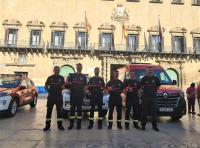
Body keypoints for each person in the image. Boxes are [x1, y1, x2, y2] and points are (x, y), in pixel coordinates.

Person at [43, 66, 65, 131]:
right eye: (55, 69)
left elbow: (64, 86)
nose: (57, 71)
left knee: (59, 112)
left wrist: (63, 86)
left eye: (58, 69)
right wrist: (49, 91)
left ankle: (60, 125)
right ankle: (47, 125)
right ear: (53, 70)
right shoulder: (50, 78)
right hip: (51, 97)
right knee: (49, 112)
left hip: (59, 97)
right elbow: (45, 86)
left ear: (59, 70)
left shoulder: (61, 78)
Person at [67, 63, 87, 130]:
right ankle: (71, 125)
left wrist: (84, 95)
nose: (79, 67)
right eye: (78, 66)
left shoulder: (84, 77)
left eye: (80, 66)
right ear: (76, 67)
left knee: (79, 110)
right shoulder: (72, 76)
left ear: (82, 68)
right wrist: (69, 83)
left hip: (80, 96)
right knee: (72, 110)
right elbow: (67, 84)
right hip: (73, 96)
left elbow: (85, 87)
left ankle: (79, 125)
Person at [140, 66, 160, 131]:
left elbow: (158, 86)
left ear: (153, 71)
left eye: (151, 70)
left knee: (154, 113)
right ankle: (143, 126)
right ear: (146, 71)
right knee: (144, 112)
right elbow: (140, 88)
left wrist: (153, 92)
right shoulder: (143, 79)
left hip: (153, 98)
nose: (150, 71)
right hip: (145, 98)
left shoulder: (156, 79)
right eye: (148, 71)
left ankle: (155, 126)